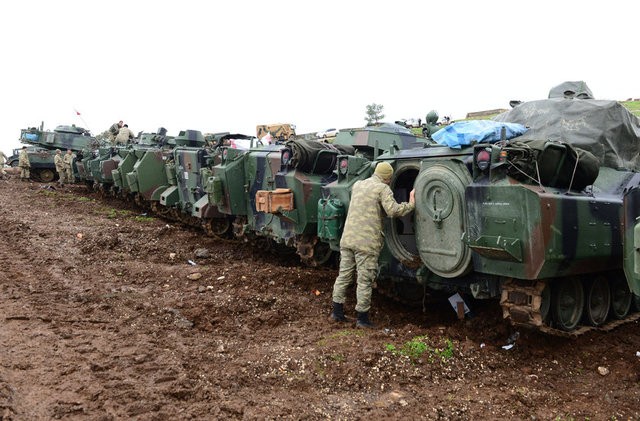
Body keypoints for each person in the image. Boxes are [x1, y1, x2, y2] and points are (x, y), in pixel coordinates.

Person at [330, 162, 416, 328]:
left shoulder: (358, 185)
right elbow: (393, 211)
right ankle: (362, 319)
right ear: (388, 178)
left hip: (348, 238)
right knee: (364, 279)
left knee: (344, 276)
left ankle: (337, 312)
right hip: (366, 243)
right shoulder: (383, 189)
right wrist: (411, 203)